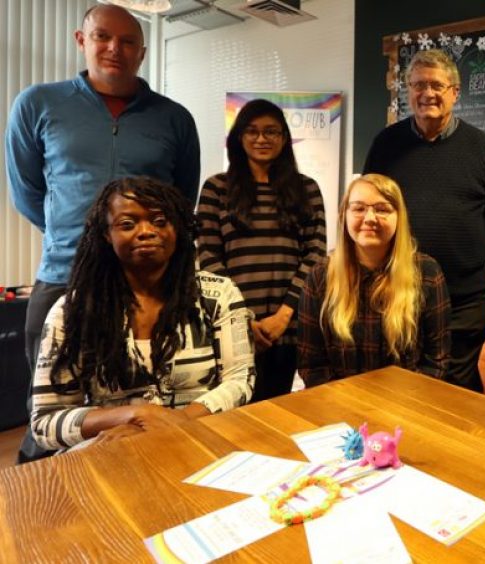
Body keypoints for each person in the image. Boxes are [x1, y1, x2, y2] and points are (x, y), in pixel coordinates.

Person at [5, 4, 200, 461]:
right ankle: (41, 506)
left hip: (148, 284)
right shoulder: (39, 104)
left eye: (128, 41)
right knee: (51, 412)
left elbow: (179, 200)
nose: (115, 48)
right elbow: (27, 193)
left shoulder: (173, 119)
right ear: (81, 40)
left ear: (143, 51)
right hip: (63, 276)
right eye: (103, 37)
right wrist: (84, 240)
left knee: (140, 406)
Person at [30, 177, 253, 452]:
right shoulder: (72, 312)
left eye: (160, 221)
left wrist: (178, 420)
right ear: (105, 234)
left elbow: (239, 380)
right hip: (112, 451)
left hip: (200, 441)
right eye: (127, 224)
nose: (146, 231)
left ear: (178, 228)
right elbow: (45, 422)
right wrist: (136, 415)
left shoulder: (219, 295)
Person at [363, 49, 485, 393]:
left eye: (436, 85)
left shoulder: (481, 147)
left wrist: (461, 245)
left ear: (454, 93)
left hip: (465, 297)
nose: (427, 93)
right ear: (408, 90)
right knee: (403, 385)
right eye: (418, 85)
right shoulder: (386, 144)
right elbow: (371, 204)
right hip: (400, 293)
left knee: (455, 389)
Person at [196, 99, 327, 401]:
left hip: (289, 326)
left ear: (283, 138)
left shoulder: (306, 189)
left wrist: (283, 316)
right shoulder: (217, 188)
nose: (261, 139)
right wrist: (244, 318)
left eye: (271, 132)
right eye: (252, 131)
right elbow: (209, 257)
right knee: (231, 409)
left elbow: (315, 255)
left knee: (276, 407)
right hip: (233, 325)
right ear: (239, 138)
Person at [297, 174, 450, 385]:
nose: (370, 218)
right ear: (344, 215)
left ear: (399, 217)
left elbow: (436, 362)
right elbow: (312, 365)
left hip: (406, 405)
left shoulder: (426, 273)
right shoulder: (319, 277)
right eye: (359, 208)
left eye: (382, 209)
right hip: (338, 405)